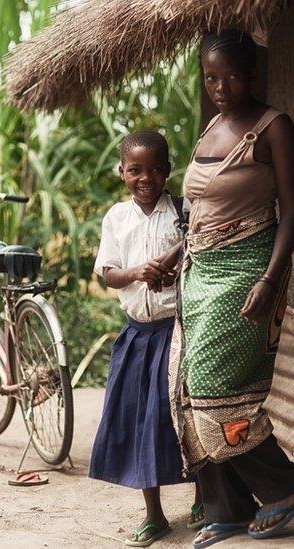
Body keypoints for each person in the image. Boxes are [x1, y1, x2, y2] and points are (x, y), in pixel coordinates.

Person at [161, 29, 294, 548]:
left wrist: (270, 281)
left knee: (218, 392)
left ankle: (286, 486)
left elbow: (292, 213)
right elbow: (199, 210)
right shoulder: (210, 129)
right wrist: (177, 254)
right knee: (184, 392)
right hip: (199, 274)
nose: (221, 86)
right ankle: (227, 508)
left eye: (231, 76)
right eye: (211, 77)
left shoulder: (275, 129)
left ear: (251, 74)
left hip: (246, 273)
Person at [89, 131, 204, 547]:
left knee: (188, 416)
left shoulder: (182, 211)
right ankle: (154, 514)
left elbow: (199, 248)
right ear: (122, 172)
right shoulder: (117, 218)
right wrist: (139, 272)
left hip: (180, 330)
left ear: (167, 171)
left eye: (155, 169)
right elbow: (108, 273)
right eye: (135, 169)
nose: (145, 177)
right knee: (140, 422)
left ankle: (203, 498)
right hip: (138, 336)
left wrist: (176, 266)